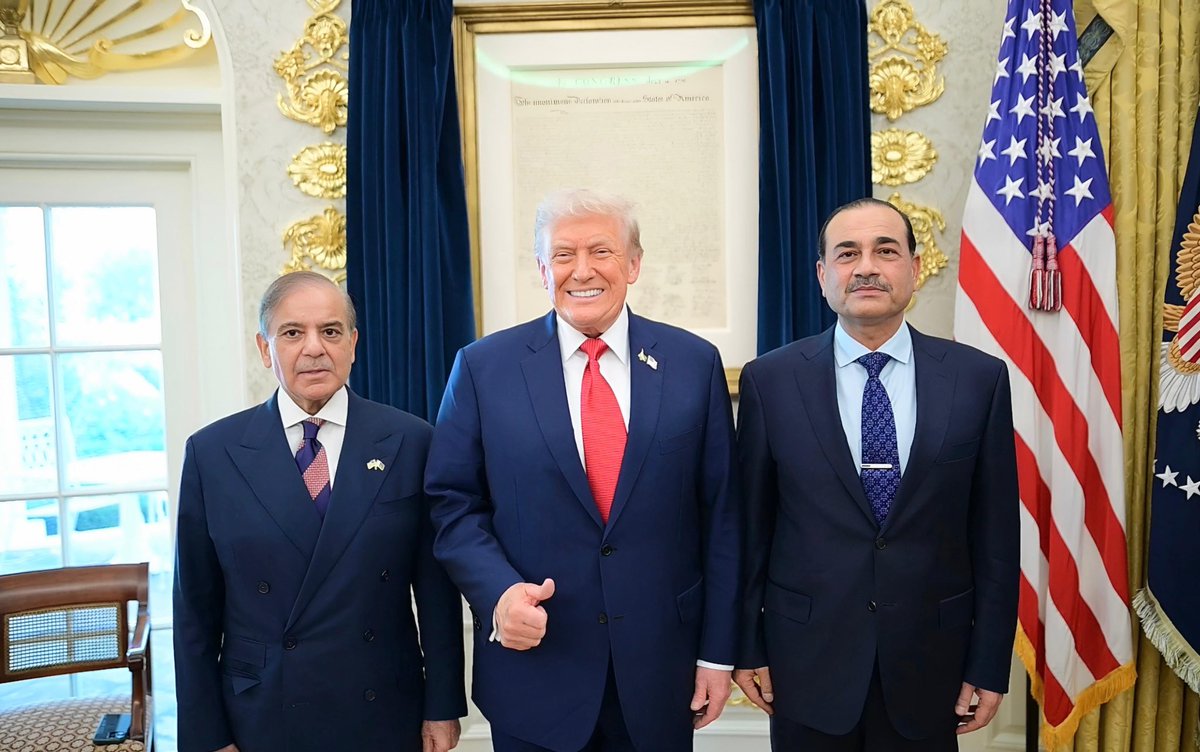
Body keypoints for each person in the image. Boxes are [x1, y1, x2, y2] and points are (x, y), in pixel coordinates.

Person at [424, 189, 740, 752]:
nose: (583, 270)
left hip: (659, 675)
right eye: (563, 254)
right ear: (542, 270)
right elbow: (452, 504)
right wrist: (498, 593)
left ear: (634, 264)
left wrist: (716, 653)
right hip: (535, 672)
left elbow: (722, 517)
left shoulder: (694, 365)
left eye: (601, 250)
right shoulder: (481, 368)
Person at [734, 198, 1019, 751]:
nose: (866, 266)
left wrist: (989, 664)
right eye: (848, 254)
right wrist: (747, 646)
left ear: (915, 267)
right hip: (804, 666)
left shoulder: (977, 380)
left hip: (931, 668)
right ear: (823, 277)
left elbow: (997, 540)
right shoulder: (771, 382)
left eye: (885, 250)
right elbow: (750, 531)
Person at [173, 271, 466, 752]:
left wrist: (442, 706)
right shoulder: (212, 453)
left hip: (383, 707)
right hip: (261, 711)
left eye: (330, 331)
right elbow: (194, 613)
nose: (314, 348)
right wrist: (208, 736)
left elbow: (436, 593)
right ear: (266, 349)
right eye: (292, 333)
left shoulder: (411, 441)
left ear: (352, 343)